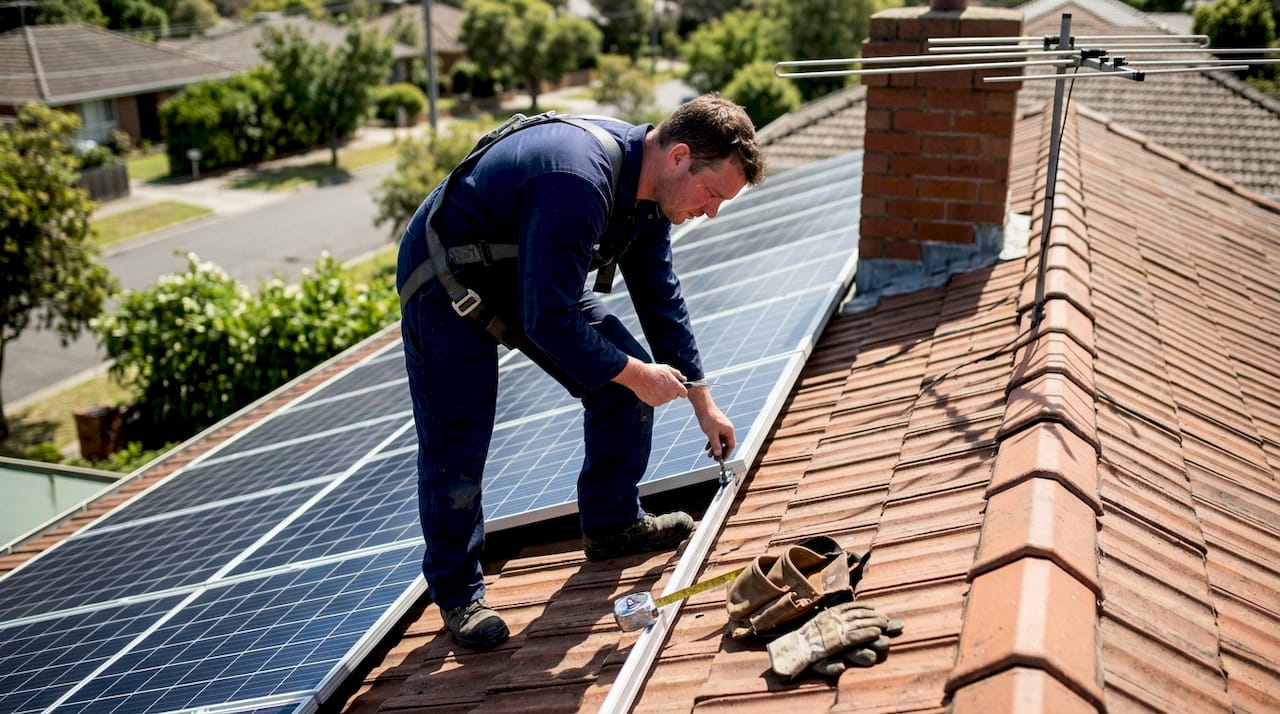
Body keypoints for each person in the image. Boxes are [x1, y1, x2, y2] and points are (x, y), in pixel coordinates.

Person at [397, 93, 766, 651]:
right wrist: (637, 374)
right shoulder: (579, 178)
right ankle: (457, 593)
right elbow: (549, 319)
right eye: (711, 194)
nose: (710, 211)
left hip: (532, 279)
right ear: (679, 156)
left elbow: (660, 298)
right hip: (448, 281)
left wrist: (700, 399)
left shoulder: (647, 199)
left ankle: (612, 523)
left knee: (624, 382)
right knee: (458, 440)